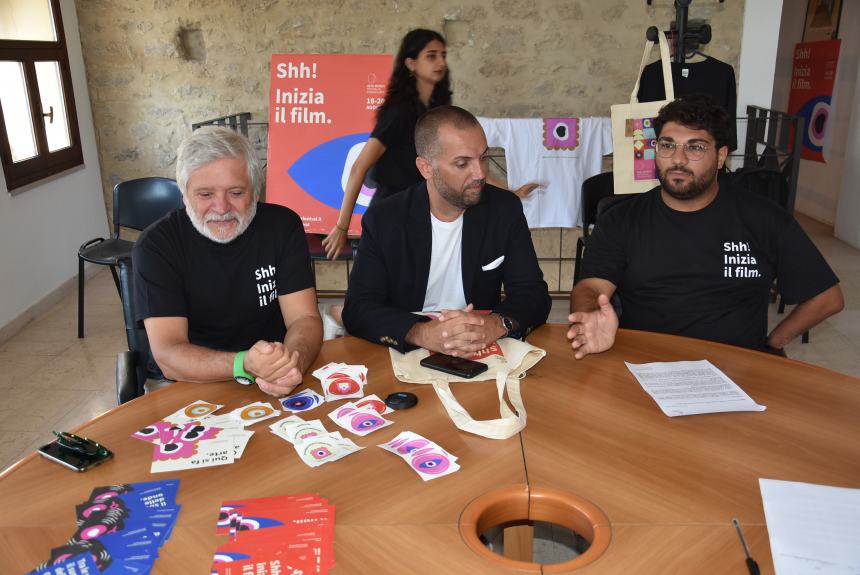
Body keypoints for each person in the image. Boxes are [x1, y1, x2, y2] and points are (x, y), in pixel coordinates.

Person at [567, 94, 843, 359]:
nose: (678, 159)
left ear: (721, 156)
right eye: (667, 145)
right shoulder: (621, 219)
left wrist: (772, 345)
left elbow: (827, 297)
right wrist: (590, 314)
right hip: (645, 363)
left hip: (736, 368)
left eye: (695, 147)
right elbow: (591, 287)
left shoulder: (763, 218)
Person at [342, 105, 551, 355]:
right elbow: (358, 308)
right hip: (408, 345)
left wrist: (496, 324)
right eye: (463, 163)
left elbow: (534, 294)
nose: (480, 173)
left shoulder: (503, 209)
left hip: (480, 343)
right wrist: (421, 332)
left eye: (483, 157)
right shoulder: (385, 218)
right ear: (426, 168)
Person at [132, 126, 323, 396]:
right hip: (188, 381)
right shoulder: (156, 245)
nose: (221, 208)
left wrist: (292, 363)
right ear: (184, 195)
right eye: (205, 194)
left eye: (235, 193)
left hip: (273, 374)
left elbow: (304, 318)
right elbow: (169, 356)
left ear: (256, 191)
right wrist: (244, 364)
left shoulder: (282, 226)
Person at [321, 28, 536, 261]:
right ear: (411, 63)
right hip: (394, 213)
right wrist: (342, 227)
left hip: (426, 209)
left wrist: (509, 192)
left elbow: (467, 161)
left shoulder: (437, 109)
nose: (440, 62)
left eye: (443, 55)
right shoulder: (398, 113)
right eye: (431, 56)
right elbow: (359, 167)